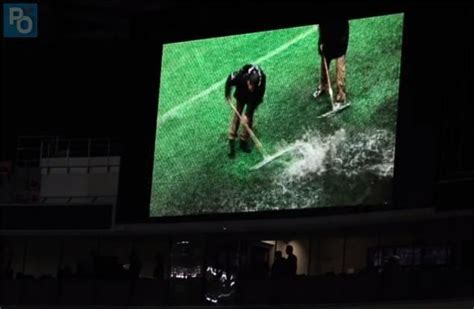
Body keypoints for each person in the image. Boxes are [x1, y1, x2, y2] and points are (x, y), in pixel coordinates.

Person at [225, 64, 266, 158]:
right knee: (237, 115)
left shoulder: (260, 84)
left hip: (253, 98)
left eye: (253, 86)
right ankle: (232, 139)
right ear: (248, 80)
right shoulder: (241, 77)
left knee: (249, 119)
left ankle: (244, 140)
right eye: (250, 84)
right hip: (241, 93)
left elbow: (258, 99)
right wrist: (227, 94)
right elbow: (230, 79)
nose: (251, 87)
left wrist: (247, 115)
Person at [313, 18, 350, 107]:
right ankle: (323, 85)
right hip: (327, 37)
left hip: (340, 35)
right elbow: (321, 26)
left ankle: (341, 97)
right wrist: (321, 41)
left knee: (340, 64)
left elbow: (343, 26)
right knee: (324, 60)